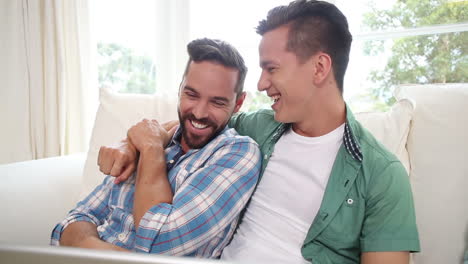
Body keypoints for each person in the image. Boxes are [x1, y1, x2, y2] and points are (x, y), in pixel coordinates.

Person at [98, 1, 420, 263]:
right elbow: (195, 125)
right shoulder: (259, 128)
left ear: (319, 68)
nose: (261, 84)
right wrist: (131, 143)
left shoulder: (382, 175)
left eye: (272, 68)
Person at [50, 38, 261, 258]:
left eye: (217, 102)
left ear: (238, 103)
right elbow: (72, 222)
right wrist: (87, 244)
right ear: (180, 89)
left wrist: (151, 150)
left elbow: (159, 243)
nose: (199, 113)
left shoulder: (238, 154)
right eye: (191, 94)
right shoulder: (150, 139)